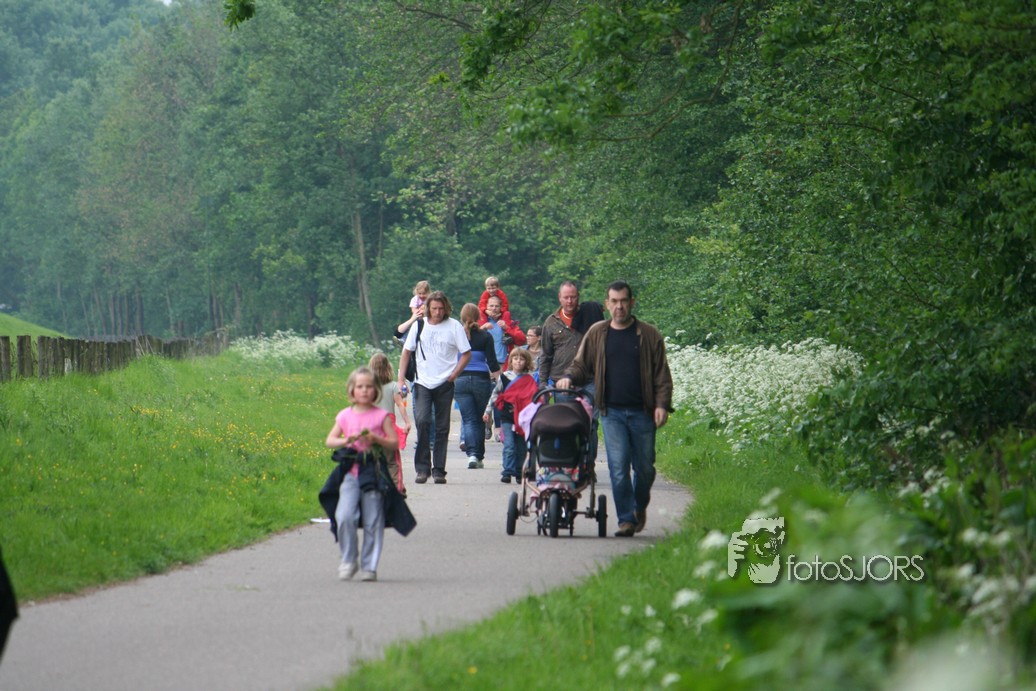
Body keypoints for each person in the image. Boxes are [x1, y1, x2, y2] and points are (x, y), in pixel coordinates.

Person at [557, 280, 673, 537]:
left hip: (643, 412)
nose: (619, 306)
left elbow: (662, 374)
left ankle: (638, 506)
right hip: (611, 413)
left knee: (645, 468)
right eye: (614, 302)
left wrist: (662, 404)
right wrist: (568, 377)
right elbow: (581, 364)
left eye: (624, 301)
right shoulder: (598, 333)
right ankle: (626, 519)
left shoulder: (649, 335)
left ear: (632, 303)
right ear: (607, 304)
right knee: (618, 468)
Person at [324, 366, 399, 581]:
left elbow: (394, 443)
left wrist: (377, 439)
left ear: (376, 390)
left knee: (373, 520)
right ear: (352, 390)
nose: (364, 390)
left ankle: (369, 566)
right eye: (359, 387)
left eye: (368, 386)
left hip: (373, 473)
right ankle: (348, 560)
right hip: (351, 473)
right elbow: (330, 440)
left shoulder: (381, 416)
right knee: (344, 515)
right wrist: (346, 440)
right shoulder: (345, 416)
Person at [397, 291, 472, 484]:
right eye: (434, 308)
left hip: (445, 383)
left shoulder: (454, 326)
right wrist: (400, 380)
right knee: (422, 421)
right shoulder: (419, 325)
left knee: (442, 427)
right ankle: (422, 469)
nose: (438, 312)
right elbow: (406, 352)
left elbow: (466, 353)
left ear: (446, 308)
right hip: (422, 382)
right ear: (427, 308)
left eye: (441, 308)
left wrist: (454, 374)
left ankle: (438, 470)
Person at [538, 280, 606, 467]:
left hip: (590, 380)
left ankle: (588, 465)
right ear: (559, 298)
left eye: (573, 297)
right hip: (562, 383)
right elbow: (545, 355)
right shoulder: (551, 322)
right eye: (566, 297)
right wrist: (542, 384)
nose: (570, 301)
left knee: (590, 423)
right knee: (566, 424)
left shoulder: (590, 316)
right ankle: (569, 464)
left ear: (578, 297)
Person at [454, 303, 501, 469]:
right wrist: (502, 383)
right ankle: (478, 455)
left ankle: (472, 455)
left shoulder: (457, 335)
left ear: (462, 317)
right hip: (481, 380)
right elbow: (492, 363)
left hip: (460, 380)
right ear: (479, 317)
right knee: (481, 419)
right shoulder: (485, 336)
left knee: (468, 420)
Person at [485, 348, 538, 483]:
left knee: (521, 446)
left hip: (523, 418)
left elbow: (533, 397)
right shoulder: (504, 377)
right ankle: (507, 471)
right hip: (507, 416)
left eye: (521, 359)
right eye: (515, 358)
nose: (518, 361)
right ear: (511, 361)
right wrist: (488, 411)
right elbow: (495, 394)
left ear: (526, 362)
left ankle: (520, 472)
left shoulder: (529, 379)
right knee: (509, 445)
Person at [368, 352, 411, 495]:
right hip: (389, 429)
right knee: (393, 461)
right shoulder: (393, 386)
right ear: (388, 368)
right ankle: (397, 489)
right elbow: (400, 405)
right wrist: (407, 422)